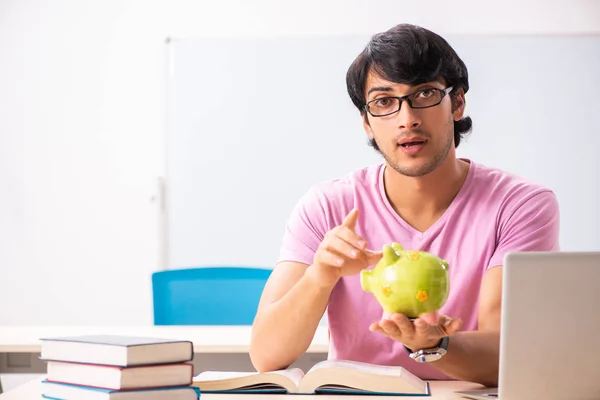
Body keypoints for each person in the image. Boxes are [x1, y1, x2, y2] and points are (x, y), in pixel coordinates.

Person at [249, 23, 560, 387]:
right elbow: (266, 355)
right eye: (384, 102)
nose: (407, 118)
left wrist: (436, 345)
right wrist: (321, 275)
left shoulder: (519, 206)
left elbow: (508, 352)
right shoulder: (328, 206)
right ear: (366, 121)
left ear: (457, 103)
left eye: (425, 94)